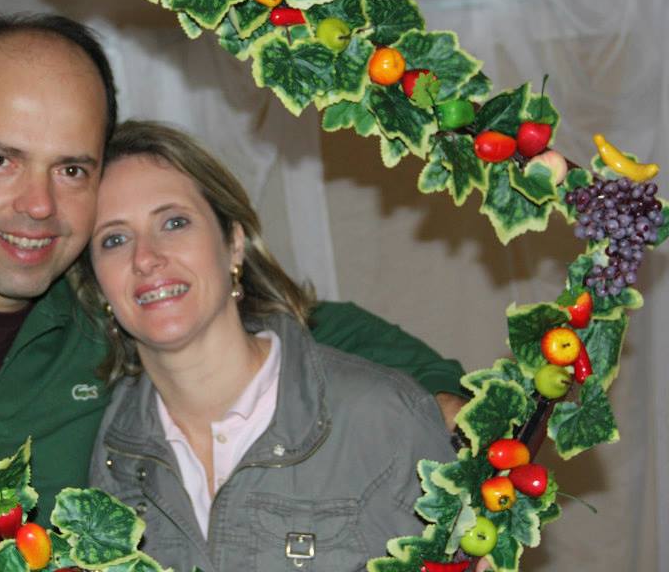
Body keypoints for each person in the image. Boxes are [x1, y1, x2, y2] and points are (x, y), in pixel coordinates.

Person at [0, 12, 465, 572]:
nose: (39, 205)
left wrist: (449, 415)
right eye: (2, 159)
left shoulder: (111, 314)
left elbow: (282, 322)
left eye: (72, 169)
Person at [83, 121, 456, 571]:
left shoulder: (382, 419)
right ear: (99, 284)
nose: (145, 258)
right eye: (114, 239)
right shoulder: (111, 457)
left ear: (234, 244)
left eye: (174, 222)